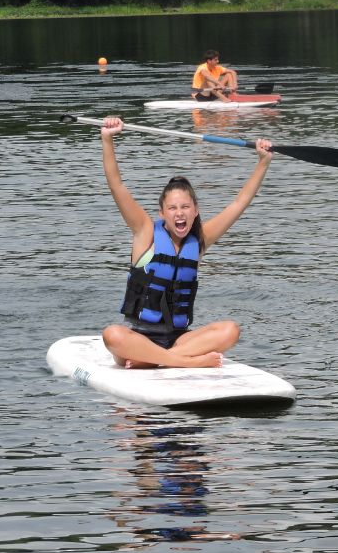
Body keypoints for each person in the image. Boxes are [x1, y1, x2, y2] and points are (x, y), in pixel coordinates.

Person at [98, 116, 273, 369]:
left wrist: (263, 162)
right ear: (162, 213)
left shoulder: (199, 240)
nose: (179, 213)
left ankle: (155, 360)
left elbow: (239, 203)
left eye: (185, 207)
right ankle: (182, 361)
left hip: (179, 339)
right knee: (112, 335)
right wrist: (107, 139)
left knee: (230, 331)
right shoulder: (145, 232)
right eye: (172, 208)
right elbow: (117, 186)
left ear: (195, 210)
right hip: (138, 336)